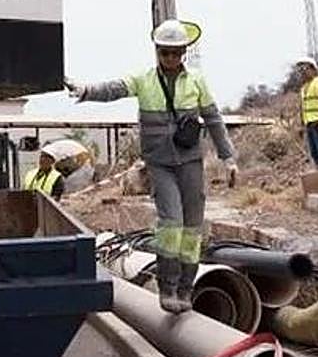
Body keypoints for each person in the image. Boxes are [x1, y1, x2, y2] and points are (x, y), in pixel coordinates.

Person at [66, 19, 237, 313]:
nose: (170, 58)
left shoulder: (196, 81)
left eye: (176, 52)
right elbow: (114, 89)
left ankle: (186, 287)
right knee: (171, 223)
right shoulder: (144, 80)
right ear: (157, 51)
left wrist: (228, 158)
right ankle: (167, 286)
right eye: (164, 52)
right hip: (160, 163)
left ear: (183, 52)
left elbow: (213, 118)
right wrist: (84, 90)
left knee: (192, 227)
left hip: (190, 161)